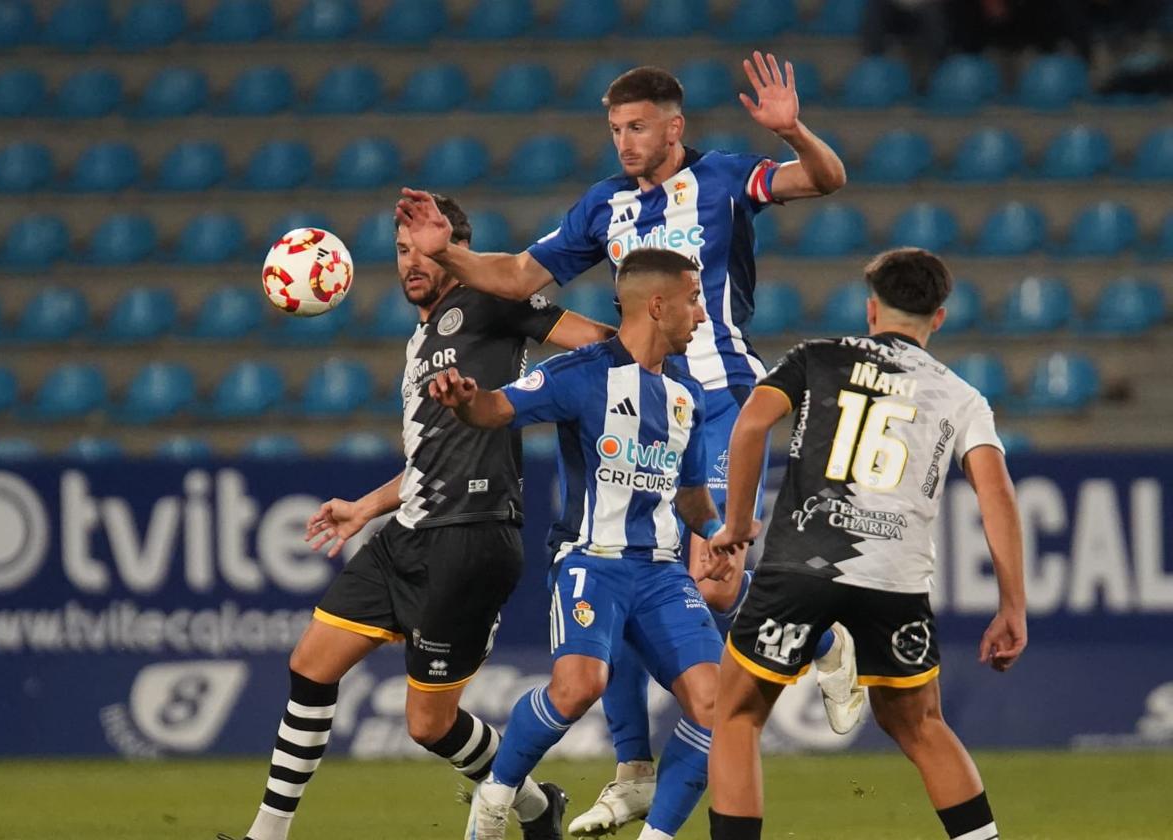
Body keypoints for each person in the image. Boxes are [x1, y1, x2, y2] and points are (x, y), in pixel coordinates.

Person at [396, 53, 861, 836]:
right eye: (615, 129)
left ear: (674, 127)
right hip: (642, 396)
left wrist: (795, 134)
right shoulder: (603, 205)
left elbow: (823, 180)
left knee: (710, 586)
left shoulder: (721, 179)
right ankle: (636, 770)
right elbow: (515, 275)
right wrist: (445, 255)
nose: (625, 142)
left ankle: (816, 634)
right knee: (626, 559)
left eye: (639, 127)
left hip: (718, 397)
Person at [219, 194, 615, 840]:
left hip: (473, 537)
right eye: (401, 251)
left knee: (428, 726)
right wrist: (365, 507)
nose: (411, 263)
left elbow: (600, 344)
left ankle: (538, 806)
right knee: (310, 664)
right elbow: (429, 461)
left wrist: (651, 352)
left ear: (453, 251)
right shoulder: (421, 341)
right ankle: (266, 834)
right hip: (407, 532)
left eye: (424, 250)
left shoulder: (491, 302)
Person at [706, 248, 1028, 840]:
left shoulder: (817, 357)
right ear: (941, 317)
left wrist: (737, 524)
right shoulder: (961, 397)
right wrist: (1012, 606)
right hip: (895, 578)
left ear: (870, 308)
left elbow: (751, 423)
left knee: (738, 715)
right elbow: (997, 496)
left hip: (801, 564)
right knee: (921, 725)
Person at [430, 250, 748, 840]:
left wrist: (720, 532)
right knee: (579, 687)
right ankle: (494, 800)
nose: (702, 315)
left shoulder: (688, 395)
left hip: (660, 574)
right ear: (658, 305)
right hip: (590, 562)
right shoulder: (581, 373)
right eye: (694, 300)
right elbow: (496, 407)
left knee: (716, 704)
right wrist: (464, 400)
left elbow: (691, 498)